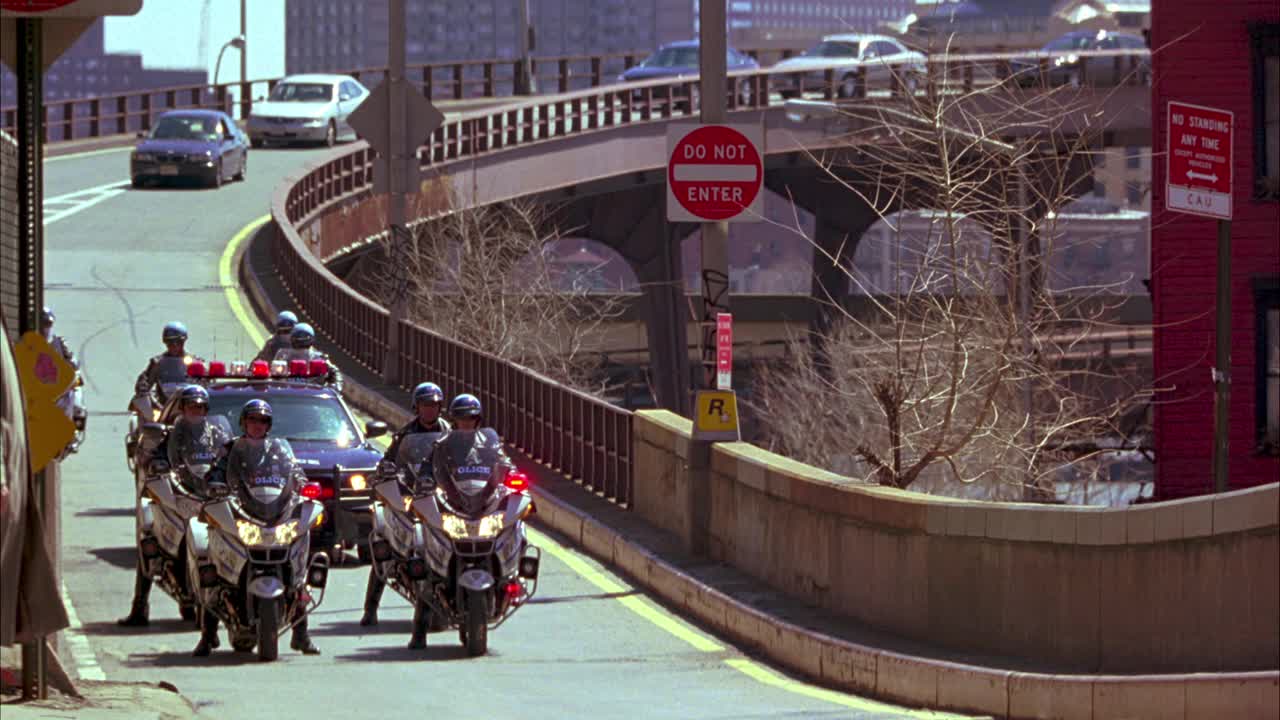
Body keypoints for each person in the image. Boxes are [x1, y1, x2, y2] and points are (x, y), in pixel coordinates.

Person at [192, 399, 320, 657]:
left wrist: (302, 485)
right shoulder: (230, 449)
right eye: (252, 420)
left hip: (273, 514)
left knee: (297, 575)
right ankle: (207, 636)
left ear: (268, 425)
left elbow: (294, 471)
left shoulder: (279, 450)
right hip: (243, 512)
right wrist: (215, 485)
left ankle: (301, 635)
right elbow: (215, 474)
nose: (257, 425)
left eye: (262, 421)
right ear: (244, 423)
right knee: (216, 571)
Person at [118, 385, 228, 627]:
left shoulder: (216, 435)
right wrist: (156, 463)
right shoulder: (171, 434)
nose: (195, 411)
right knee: (148, 535)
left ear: (206, 410)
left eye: (199, 407)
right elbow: (154, 455)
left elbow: (226, 458)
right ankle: (139, 607)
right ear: (182, 409)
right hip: (181, 494)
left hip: (205, 496)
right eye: (190, 407)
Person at [359, 382, 451, 628]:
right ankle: (370, 608)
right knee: (384, 545)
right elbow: (390, 460)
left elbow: (464, 459)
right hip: (411, 489)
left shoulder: (449, 434)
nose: (429, 410)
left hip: (440, 494)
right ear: (417, 407)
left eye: (433, 405)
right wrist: (388, 471)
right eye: (425, 405)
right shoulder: (405, 434)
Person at [134, 322, 201, 410]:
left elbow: (205, 384)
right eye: (170, 342)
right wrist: (143, 390)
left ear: (183, 341)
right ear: (165, 343)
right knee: (142, 409)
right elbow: (144, 383)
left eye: (178, 342)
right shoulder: (157, 363)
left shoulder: (195, 363)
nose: (174, 345)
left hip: (190, 407)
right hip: (162, 407)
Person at [273, 323, 342, 392]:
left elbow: (334, 372)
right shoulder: (283, 356)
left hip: (309, 395)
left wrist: (333, 388)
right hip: (294, 395)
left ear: (291, 339)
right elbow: (335, 373)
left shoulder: (319, 358)